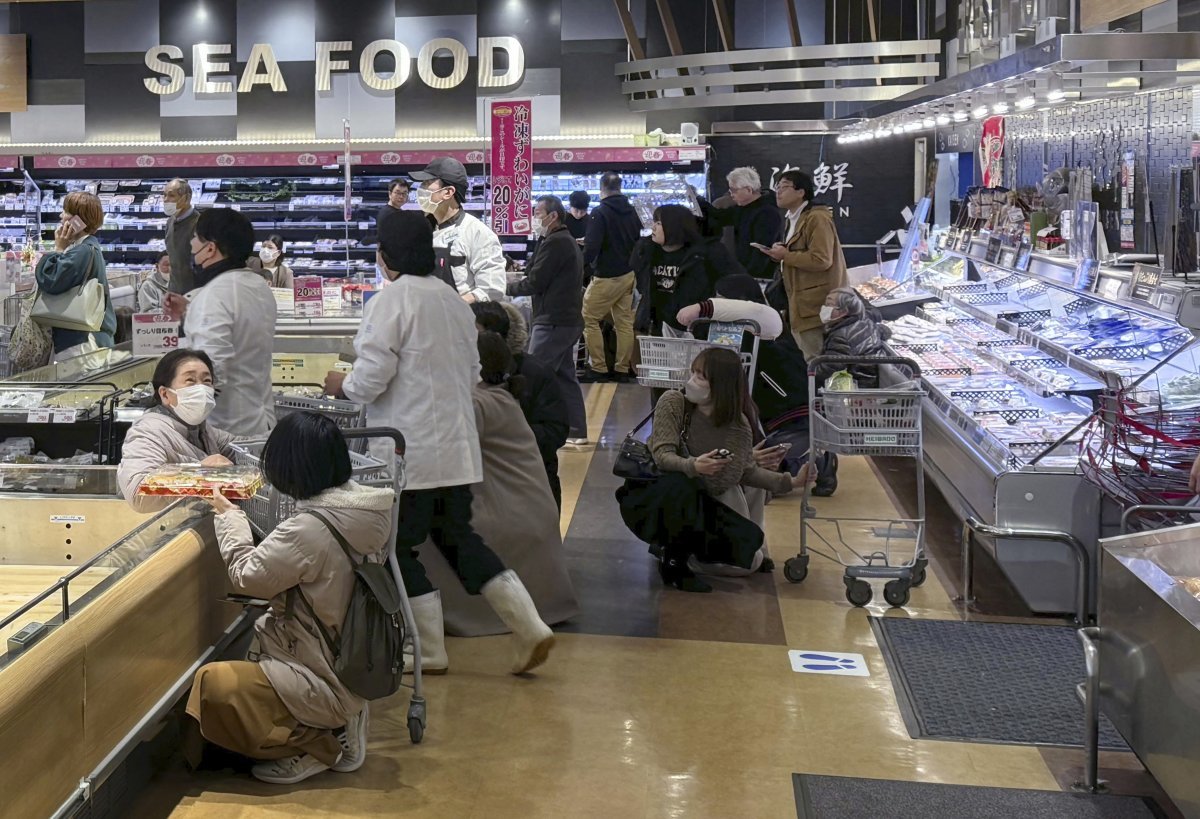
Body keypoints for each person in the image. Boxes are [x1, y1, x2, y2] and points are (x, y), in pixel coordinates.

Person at [322, 211, 555, 676]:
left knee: (398, 549)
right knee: (458, 536)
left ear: (385, 256)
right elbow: (472, 373)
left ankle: (428, 650)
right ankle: (528, 625)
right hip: (456, 448)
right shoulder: (453, 301)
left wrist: (339, 385)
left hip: (410, 453)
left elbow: (371, 378)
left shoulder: (390, 302)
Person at [187, 412, 391, 785]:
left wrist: (228, 515)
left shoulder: (310, 528)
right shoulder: (367, 512)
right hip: (348, 661)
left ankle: (316, 745)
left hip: (318, 672)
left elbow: (248, 576)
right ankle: (336, 717)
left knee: (214, 685)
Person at [420, 331, 580, 636]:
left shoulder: (475, 404)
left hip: (504, 514)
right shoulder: (502, 395)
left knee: (420, 530)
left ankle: (427, 636)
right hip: (528, 509)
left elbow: (438, 453)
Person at [617, 347, 811, 592]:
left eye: (701, 376)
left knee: (749, 493)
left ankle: (744, 549)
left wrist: (791, 481)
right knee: (683, 483)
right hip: (658, 491)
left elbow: (746, 471)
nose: (693, 380)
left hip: (705, 492)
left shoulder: (738, 425)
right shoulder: (674, 402)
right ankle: (676, 559)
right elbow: (663, 456)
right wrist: (694, 466)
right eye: (694, 372)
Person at [676, 274, 809, 475]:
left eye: (722, 297)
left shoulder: (769, 321)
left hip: (790, 412)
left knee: (764, 462)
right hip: (767, 409)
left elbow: (753, 311)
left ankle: (815, 463)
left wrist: (703, 308)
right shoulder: (735, 330)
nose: (718, 300)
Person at [163, 209, 277, 437]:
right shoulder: (259, 287)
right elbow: (239, 330)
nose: (192, 246)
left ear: (211, 248)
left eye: (195, 238)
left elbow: (210, 369)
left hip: (226, 429)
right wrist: (191, 311)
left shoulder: (215, 295)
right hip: (261, 418)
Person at [507, 195, 588, 448]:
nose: (534, 217)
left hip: (553, 320)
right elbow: (534, 270)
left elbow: (535, 281)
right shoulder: (558, 240)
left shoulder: (557, 243)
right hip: (567, 319)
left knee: (531, 374)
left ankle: (524, 431)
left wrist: (503, 287)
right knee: (565, 376)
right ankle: (577, 430)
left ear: (553, 216)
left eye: (538, 213)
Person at [473, 301, 570, 508]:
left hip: (530, 483)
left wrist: (506, 434)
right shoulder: (458, 374)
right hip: (481, 490)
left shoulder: (535, 372)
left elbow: (556, 431)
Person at [117, 349, 234, 513]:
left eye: (207, 381)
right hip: (167, 529)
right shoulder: (148, 431)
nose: (201, 389)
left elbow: (243, 447)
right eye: (190, 380)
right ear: (165, 394)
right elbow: (138, 494)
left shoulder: (203, 430)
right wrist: (198, 472)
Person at [809, 287, 892, 497]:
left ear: (842, 312)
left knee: (815, 422)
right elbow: (885, 332)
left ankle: (825, 471)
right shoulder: (865, 322)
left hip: (851, 392)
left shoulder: (840, 335)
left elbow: (830, 367)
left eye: (829, 304)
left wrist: (807, 370)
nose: (824, 307)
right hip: (867, 385)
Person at [761, 170, 848, 360]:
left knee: (815, 360)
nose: (778, 192)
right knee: (804, 358)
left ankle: (817, 390)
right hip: (799, 303)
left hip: (816, 305)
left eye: (784, 187)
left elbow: (822, 259)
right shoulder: (792, 218)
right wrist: (781, 253)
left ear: (801, 192)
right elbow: (799, 252)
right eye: (777, 187)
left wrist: (786, 255)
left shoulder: (817, 218)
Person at [631, 204, 743, 339]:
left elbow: (738, 283)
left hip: (695, 328)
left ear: (674, 226)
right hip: (657, 325)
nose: (653, 227)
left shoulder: (705, 254)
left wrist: (704, 307)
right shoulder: (649, 251)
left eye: (659, 223)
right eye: (654, 222)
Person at [409, 157, 506, 303]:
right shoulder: (422, 231)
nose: (421, 189)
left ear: (448, 192)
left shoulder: (477, 233)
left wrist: (451, 306)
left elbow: (491, 289)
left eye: (427, 183)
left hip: (460, 321)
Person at [35, 191, 116, 361]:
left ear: (77, 220)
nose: (60, 215)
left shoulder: (82, 251)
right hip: (88, 337)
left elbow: (50, 280)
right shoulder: (87, 247)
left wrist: (58, 248)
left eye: (65, 212)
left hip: (81, 341)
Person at [581, 172, 641, 383]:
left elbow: (592, 248)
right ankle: (622, 369)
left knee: (589, 318)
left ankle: (598, 367)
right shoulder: (633, 211)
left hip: (606, 275)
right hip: (628, 273)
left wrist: (580, 263)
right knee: (624, 323)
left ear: (602, 188)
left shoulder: (600, 212)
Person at [705, 167, 783, 281]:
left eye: (734, 190)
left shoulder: (767, 213)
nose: (731, 194)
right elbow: (719, 216)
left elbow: (761, 251)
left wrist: (747, 276)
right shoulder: (743, 208)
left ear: (748, 190)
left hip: (761, 276)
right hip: (744, 271)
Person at [163, 178, 200, 294]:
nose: (166, 200)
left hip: (195, 293)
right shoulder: (170, 223)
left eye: (171, 196)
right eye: (164, 195)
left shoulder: (199, 224)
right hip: (174, 291)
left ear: (186, 198)